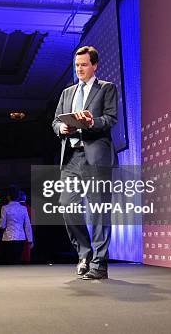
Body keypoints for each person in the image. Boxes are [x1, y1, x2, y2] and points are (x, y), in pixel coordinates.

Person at [51, 46, 118, 280]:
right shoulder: (67, 93)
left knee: (99, 211)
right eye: (77, 65)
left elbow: (110, 119)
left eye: (84, 64)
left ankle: (99, 264)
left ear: (94, 65)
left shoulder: (106, 88)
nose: (79, 69)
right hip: (71, 157)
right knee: (67, 206)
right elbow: (55, 122)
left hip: (96, 157)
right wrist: (62, 127)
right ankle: (85, 253)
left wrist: (90, 122)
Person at [0, 187, 33, 264]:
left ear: (8, 196)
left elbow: (2, 225)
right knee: (17, 261)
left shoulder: (4, 208)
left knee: (8, 262)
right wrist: (30, 240)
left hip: (8, 238)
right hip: (20, 238)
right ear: (18, 196)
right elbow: (27, 225)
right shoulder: (24, 208)